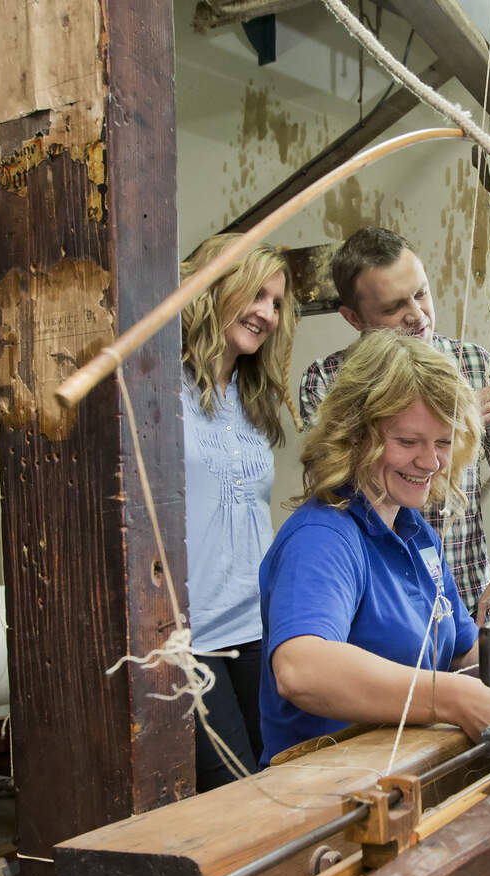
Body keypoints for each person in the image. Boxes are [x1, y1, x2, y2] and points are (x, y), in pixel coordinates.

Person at [259, 330, 490, 765]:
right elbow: (301, 670)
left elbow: (463, 651)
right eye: (408, 442)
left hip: (402, 774)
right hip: (325, 798)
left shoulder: (417, 534)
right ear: (355, 436)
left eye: (443, 442)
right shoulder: (322, 537)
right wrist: (451, 698)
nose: (430, 462)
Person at [299, 226, 490, 623]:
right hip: (374, 610)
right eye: (394, 307)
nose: (417, 316)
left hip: (465, 599)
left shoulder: (475, 365)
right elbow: (336, 484)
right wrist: (457, 421)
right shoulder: (326, 380)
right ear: (353, 317)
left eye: (421, 293)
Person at [178, 233, 297, 791]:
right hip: (190, 637)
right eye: (255, 294)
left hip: (257, 624)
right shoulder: (161, 385)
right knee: (234, 792)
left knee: (277, 776)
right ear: (213, 287)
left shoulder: (254, 397)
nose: (266, 313)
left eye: (276, 302)